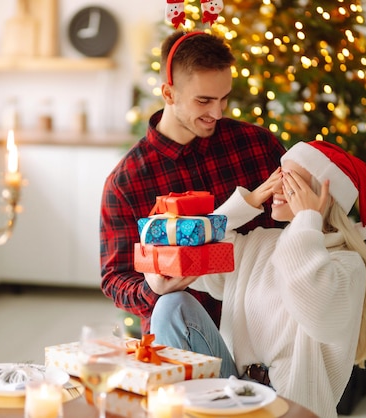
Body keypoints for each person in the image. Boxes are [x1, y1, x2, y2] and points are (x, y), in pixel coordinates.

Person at [99, 30, 286, 378]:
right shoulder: (126, 182)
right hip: (182, 344)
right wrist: (150, 289)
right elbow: (114, 278)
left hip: (268, 340)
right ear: (169, 93)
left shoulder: (257, 146)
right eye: (203, 101)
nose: (217, 112)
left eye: (224, 98)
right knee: (170, 305)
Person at [152, 140, 366, 418]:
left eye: (292, 182)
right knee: (173, 306)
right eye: (279, 175)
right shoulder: (261, 243)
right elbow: (196, 248)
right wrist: (249, 201)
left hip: (292, 408)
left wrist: (307, 219)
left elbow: (310, 299)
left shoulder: (347, 265)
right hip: (235, 393)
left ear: (326, 196)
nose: (277, 186)